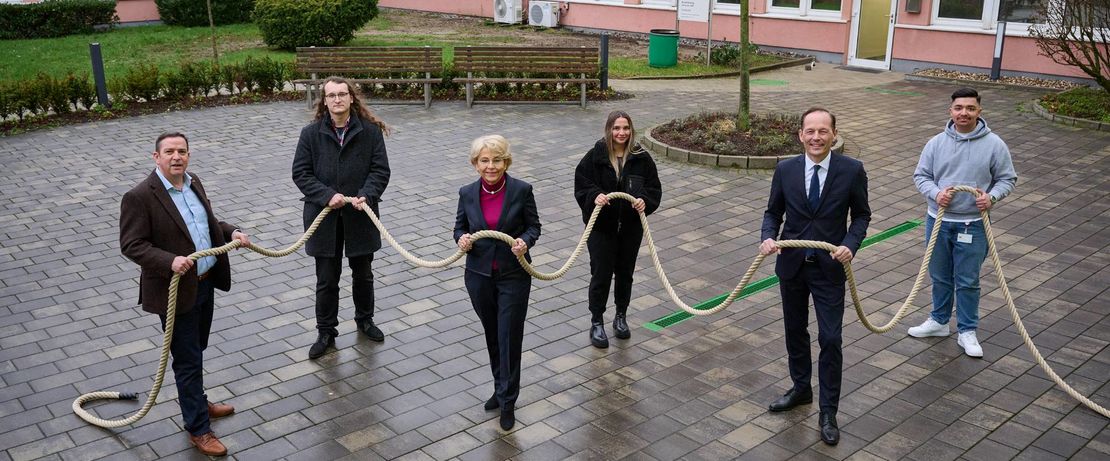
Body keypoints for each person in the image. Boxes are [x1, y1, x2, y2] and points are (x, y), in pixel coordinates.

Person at [120, 132, 251, 456]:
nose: (176, 157)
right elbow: (132, 244)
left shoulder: (194, 183)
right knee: (188, 359)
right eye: (169, 152)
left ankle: (199, 403)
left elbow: (207, 224)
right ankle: (198, 428)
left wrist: (231, 230)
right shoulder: (139, 196)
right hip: (174, 291)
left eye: (182, 151)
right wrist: (169, 261)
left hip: (204, 282)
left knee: (197, 347)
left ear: (188, 155)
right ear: (156, 157)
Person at [760, 108, 870, 446]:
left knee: (831, 338)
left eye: (823, 131)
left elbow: (862, 215)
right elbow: (772, 211)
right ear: (801, 135)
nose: (816, 137)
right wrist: (767, 235)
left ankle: (828, 411)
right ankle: (801, 389)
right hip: (792, 265)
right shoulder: (786, 169)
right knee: (794, 330)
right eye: (810, 131)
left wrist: (850, 244)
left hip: (829, 268)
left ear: (834, 135)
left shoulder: (851, 170)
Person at [907, 88, 1017, 358]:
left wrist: (992, 197)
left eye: (970, 108)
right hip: (938, 223)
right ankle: (939, 321)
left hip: (973, 225)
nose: (963, 113)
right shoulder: (935, 143)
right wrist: (936, 194)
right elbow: (921, 176)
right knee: (940, 276)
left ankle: (967, 330)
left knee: (967, 280)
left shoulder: (994, 145)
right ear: (951, 111)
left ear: (979, 111)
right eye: (958, 108)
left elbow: (1007, 178)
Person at [293, 76, 391, 359]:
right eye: (331, 95)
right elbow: (301, 173)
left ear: (351, 98)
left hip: (360, 215)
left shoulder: (370, 132)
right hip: (323, 219)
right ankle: (326, 331)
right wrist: (326, 195)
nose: (337, 99)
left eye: (342, 94)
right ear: (324, 100)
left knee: (364, 274)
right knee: (326, 278)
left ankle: (365, 320)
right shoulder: (310, 134)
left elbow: (380, 170)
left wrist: (367, 194)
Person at [454, 135, 541, 431]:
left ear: (506, 161)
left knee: (508, 336)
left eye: (497, 160)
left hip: (513, 275)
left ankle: (508, 402)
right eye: (485, 160)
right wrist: (461, 239)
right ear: (475, 164)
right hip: (478, 277)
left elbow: (534, 226)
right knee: (492, 334)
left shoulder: (521, 190)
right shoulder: (467, 193)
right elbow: (459, 226)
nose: (491, 166)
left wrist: (524, 241)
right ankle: (498, 386)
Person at [573, 110, 662, 348]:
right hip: (602, 229)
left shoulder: (641, 158)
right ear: (609, 130)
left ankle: (621, 316)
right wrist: (595, 196)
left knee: (625, 274)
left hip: (630, 229)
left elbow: (653, 189)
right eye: (616, 128)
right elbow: (582, 183)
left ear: (631, 130)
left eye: (625, 128)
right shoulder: (595, 156)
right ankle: (597, 321)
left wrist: (644, 200)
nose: (621, 133)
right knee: (600, 274)